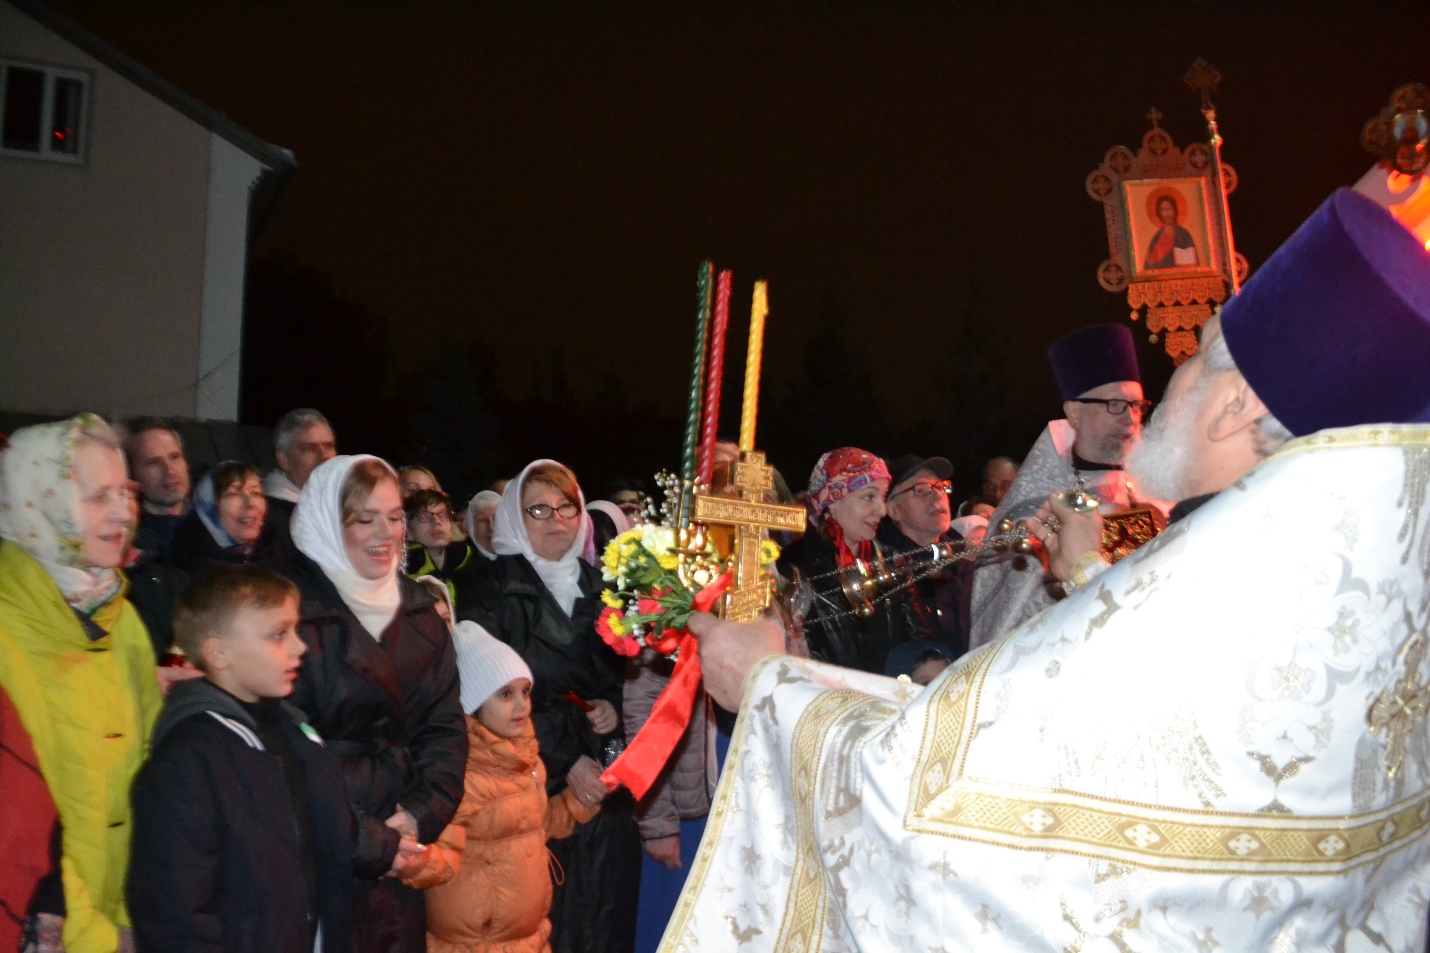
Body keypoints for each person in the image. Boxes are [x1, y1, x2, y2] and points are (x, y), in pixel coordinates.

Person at [664, 188, 1430, 951]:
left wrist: (767, 682)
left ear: (1235, 407)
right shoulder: (1357, 596)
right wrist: (1092, 575)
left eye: (1194, 355)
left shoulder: (1206, 572)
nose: (1163, 389)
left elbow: (943, 793)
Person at [127, 565, 384, 953]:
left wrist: (389, 847)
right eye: (279, 635)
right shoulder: (187, 762)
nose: (299, 647)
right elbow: (174, 916)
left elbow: (321, 830)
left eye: (295, 631)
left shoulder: (291, 732)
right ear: (218, 653)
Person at [282, 454, 467, 953]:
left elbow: (445, 731)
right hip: (317, 848)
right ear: (328, 523)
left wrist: (419, 814)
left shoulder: (421, 613)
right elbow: (285, 748)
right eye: (365, 520)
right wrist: (363, 838)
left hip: (400, 843)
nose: (386, 534)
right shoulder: (289, 611)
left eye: (395, 517)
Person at [460, 459, 642, 953]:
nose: (557, 520)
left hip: (605, 781)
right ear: (514, 518)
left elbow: (625, 673)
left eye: (567, 507)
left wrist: (612, 706)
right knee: (551, 920)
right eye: (539, 510)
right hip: (531, 785)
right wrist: (564, 760)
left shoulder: (604, 585)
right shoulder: (491, 592)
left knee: (606, 916)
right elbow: (488, 697)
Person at [0, 415, 162, 953]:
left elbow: (150, 779)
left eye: (125, 492)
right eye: (97, 497)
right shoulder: (7, 631)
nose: (123, 512)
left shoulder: (121, 618)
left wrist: (136, 914)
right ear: (36, 505)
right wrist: (95, 935)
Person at [399, 621, 607, 953]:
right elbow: (442, 857)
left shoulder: (527, 759)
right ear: (473, 703)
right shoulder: (460, 775)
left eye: (526, 691)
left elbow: (534, 825)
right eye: (505, 694)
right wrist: (412, 858)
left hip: (529, 938)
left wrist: (577, 801)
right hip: (476, 945)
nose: (522, 705)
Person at [969, 322, 1168, 650]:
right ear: (1074, 412)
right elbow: (1008, 621)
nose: (1130, 417)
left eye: (1136, 405)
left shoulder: (1160, 492)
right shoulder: (1032, 509)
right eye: (1115, 404)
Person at [777, 448, 927, 674]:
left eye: (883, 497)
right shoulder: (794, 569)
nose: (882, 510)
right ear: (832, 500)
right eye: (868, 497)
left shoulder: (892, 562)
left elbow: (918, 643)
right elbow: (802, 661)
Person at [877, 454, 966, 655]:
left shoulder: (966, 559)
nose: (937, 496)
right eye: (920, 489)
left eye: (941, 487)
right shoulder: (886, 573)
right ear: (893, 510)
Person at [171, 462, 284, 576]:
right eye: (233, 494)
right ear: (209, 507)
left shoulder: (279, 548)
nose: (250, 503)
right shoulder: (188, 570)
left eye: (255, 493)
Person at [123, 418, 190, 562]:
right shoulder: (123, 537)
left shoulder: (219, 524)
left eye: (175, 457)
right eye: (153, 462)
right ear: (132, 473)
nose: (170, 471)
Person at [264, 408, 337, 528]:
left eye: (329, 446)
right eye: (310, 449)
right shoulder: (273, 519)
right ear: (284, 460)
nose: (324, 456)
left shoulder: (346, 501)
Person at [404, 489, 479, 607]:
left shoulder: (472, 564)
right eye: (424, 516)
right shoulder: (402, 576)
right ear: (407, 531)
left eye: (442, 515)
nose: (436, 521)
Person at [1144, 193, 1200, 269]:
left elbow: (1192, 263)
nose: (1167, 213)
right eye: (1163, 210)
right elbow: (1148, 265)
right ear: (1159, 213)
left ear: (1175, 210)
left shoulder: (1183, 235)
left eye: (1169, 208)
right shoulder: (1156, 237)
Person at [465, 490, 500, 560]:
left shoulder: (518, 557)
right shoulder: (464, 561)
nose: (491, 527)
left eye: (496, 519)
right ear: (472, 527)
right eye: (483, 521)